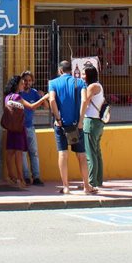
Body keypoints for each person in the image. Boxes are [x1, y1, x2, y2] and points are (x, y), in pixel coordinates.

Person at [47, 59, 90, 194]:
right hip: (76, 125)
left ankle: (66, 187)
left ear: (60, 70)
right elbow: (84, 100)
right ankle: (86, 186)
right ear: (71, 71)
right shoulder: (80, 82)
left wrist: (58, 118)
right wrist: (81, 120)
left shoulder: (53, 83)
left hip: (61, 125)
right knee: (81, 155)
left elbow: (52, 100)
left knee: (63, 154)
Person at [4, 74, 50, 188]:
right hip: (20, 128)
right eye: (21, 83)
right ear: (17, 85)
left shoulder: (8, 96)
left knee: (10, 152)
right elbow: (31, 106)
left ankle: (11, 177)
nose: (23, 85)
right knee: (19, 154)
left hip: (11, 128)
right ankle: (21, 179)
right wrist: (44, 97)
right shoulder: (17, 97)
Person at [78, 63, 106, 193]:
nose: (82, 76)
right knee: (96, 152)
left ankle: (90, 182)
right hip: (98, 122)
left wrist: (80, 119)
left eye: (84, 74)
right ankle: (98, 179)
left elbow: (85, 101)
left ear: (89, 75)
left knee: (90, 153)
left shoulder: (92, 87)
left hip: (90, 121)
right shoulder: (98, 85)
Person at [18, 70, 45, 186]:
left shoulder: (34, 93)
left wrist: (42, 96)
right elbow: (32, 106)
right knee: (23, 153)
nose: (27, 82)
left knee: (34, 152)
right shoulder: (19, 93)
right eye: (25, 80)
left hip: (30, 127)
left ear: (32, 81)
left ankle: (36, 177)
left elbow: (46, 106)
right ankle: (26, 177)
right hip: (20, 128)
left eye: (29, 80)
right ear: (22, 81)